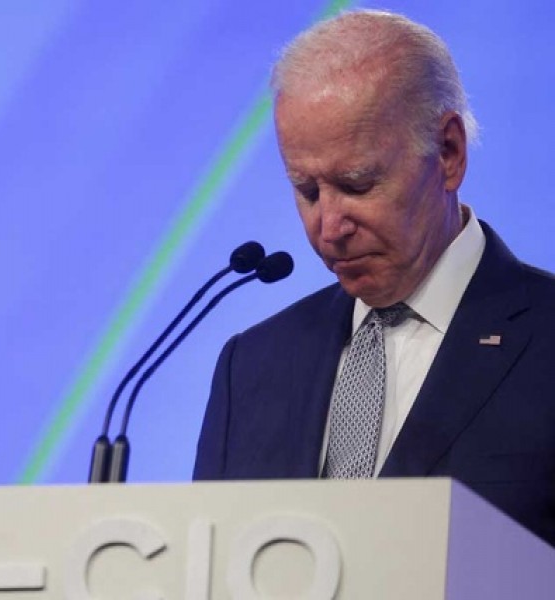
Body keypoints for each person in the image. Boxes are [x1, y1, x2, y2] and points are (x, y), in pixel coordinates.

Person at [193, 9, 555, 547]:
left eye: (357, 185)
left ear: (448, 154)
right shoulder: (250, 366)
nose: (329, 227)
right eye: (307, 191)